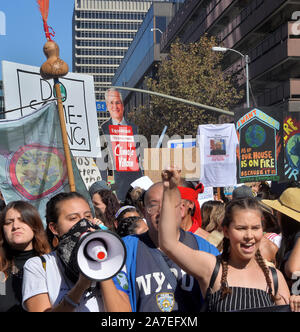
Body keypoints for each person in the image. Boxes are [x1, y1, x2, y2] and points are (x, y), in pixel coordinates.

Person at [159, 167, 300, 312]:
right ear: (226, 231)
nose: (249, 236)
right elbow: (168, 243)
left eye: (255, 228)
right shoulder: (211, 268)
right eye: (241, 228)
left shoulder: (274, 278)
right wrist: (170, 192)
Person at [113, 181, 220, 312]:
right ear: (143, 211)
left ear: (181, 209)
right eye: (153, 205)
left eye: (168, 204)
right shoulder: (125, 249)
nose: (161, 211)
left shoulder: (205, 248)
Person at [22, 192, 131, 312]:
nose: (83, 223)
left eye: (88, 216)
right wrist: (80, 286)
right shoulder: (38, 266)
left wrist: (103, 269)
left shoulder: (112, 258)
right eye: (73, 218)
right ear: (54, 228)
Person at [0, 201, 51, 312]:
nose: (15, 226)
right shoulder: (1, 269)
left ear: (34, 225)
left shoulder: (52, 263)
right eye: (9, 222)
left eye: (22, 220)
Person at [99, 88, 143, 202]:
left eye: (117, 102)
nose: (115, 106)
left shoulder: (134, 128)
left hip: (134, 185)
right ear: (108, 106)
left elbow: (140, 158)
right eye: (111, 103)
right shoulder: (102, 129)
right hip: (114, 185)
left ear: (122, 105)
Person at [262, 187, 300, 290]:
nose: (276, 214)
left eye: (277, 211)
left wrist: (296, 292)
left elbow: (293, 269)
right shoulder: (290, 238)